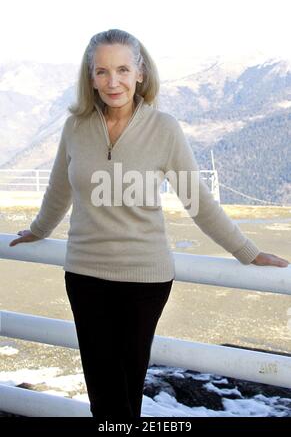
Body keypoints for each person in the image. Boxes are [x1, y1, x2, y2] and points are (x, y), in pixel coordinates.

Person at [9, 29, 289, 420]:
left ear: (140, 73)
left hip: (145, 281)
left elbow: (198, 201)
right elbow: (59, 190)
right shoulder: (75, 127)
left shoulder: (164, 128)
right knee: (104, 393)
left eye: (123, 69)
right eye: (102, 71)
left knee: (127, 388)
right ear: (90, 77)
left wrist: (248, 251)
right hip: (85, 277)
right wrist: (39, 230)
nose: (113, 81)